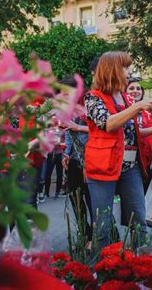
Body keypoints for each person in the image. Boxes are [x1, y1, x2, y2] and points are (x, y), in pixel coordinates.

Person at [83, 51, 152, 249]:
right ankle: (103, 272)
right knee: (102, 225)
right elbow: (108, 124)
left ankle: (142, 267)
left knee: (139, 222)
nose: (129, 71)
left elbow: (134, 131)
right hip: (103, 166)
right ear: (113, 70)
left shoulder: (126, 98)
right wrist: (138, 107)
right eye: (125, 67)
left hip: (130, 166)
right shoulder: (93, 98)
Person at [59, 75, 93, 244]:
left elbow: (101, 130)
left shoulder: (90, 104)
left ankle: (102, 236)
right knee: (76, 200)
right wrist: (66, 153)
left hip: (91, 160)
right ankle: (85, 235)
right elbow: (68, 133)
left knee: (93, 201)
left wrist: (78, 126)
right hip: (74, 161)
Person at [125, 77, 152, 192]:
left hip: (150, 160)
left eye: (139, 88)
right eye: (131, 88)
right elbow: (135, 132)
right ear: (125, 91)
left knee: (149, 195)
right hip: (132, 161)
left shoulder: (149, 111)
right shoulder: (124, 111)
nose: (135, 91)